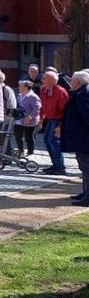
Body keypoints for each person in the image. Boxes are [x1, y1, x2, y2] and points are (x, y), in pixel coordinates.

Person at [58, 70, 89, 206]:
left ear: (77, 82)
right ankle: (85, 192)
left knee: (87, 167)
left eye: (72, 80)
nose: (70, 82)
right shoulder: (81, 93)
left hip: (84, 138)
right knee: (84, 167)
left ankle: (88, 196)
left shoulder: (83, 95)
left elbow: (86, 117)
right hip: (81, 138)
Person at [39, 71, 69, 175]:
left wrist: (60, 126)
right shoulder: (43, 90)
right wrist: (41, 118)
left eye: (45, 79)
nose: (42, 80)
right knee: (47, 140)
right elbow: (42, 105)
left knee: (53, 141)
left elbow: (65, 111)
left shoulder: (61, 92)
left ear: (52, 81)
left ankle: (60, 167)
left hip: (58, 119)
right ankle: (55, 164)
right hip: (50, 118)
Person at [13, 79, 41, 156]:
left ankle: (30, 152)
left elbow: (37, 108)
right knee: (18, 135)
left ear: (26, 87)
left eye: (20, 86)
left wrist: (30, 117)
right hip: (19, 120)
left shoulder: (33, 96)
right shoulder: (19, 96)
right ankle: (21, 151)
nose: (18, 87)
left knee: (29, 137)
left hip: (29, 121)